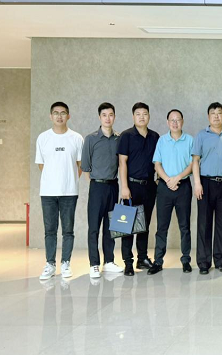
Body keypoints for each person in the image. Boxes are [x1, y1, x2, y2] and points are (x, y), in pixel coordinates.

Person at [36, 102, 84, 280]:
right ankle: (50, 264)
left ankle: (65, 263)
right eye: (56, 113)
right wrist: (53, 180)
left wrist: (68, 180)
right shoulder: (43, 138)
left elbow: (80, 165)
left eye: (63, 113)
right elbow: (41, 165)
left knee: (68, 230)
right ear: (51, 116)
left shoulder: (76, 138)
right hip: (48, 192)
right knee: (50, 230)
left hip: (69, 192)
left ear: (68, 116)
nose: (59, 116)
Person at [192, 102, 222, 274]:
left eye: (219, 113)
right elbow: (195, 160)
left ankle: (220, 260)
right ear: (208, 116)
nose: (216, 116)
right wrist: (197, 183)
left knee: (221, 223)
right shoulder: (201, 135)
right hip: (205, 183)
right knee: (204, 224)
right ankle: (204, 262)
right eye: (213, 113)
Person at [148, 109, 194, 275]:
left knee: (185, 226)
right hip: (164, 187)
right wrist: (168, 180)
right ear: (168, 122)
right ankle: (158, 261)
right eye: (172, 120)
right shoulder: (162, 140)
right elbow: (157, 164)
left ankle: (186, 260)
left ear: (182, 121)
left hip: (183, 187)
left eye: (178, 120)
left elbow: (192, 164)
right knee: (162, 227)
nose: (175, 123)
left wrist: (177, 178)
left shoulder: (190, 140)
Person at [81, 102, 123, 278]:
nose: (108, 118)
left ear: (114, 117)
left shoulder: (119, 139)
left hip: (113, 186)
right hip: (97, 186)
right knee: (94, 227)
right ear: (99, 117)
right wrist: (94, 183)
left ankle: (109, 261)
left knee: (110, 226)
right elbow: (85, 166)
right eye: (104, 115)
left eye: (111, 115)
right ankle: (94, 264)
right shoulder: (91, 139)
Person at [118, 102, 159, 276]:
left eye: (145, 114)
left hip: (149, 186)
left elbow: (159, 161)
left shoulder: (155, 137)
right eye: (138, 114)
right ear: (133, 116)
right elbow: (122, 162)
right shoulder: (126, 136)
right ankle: (128, 262)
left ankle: (142, 258)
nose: (142, 117)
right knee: (126, 225)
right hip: (131, 186)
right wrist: (124, 187)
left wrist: (158, 180)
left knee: (144, 225)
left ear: (149, 116)